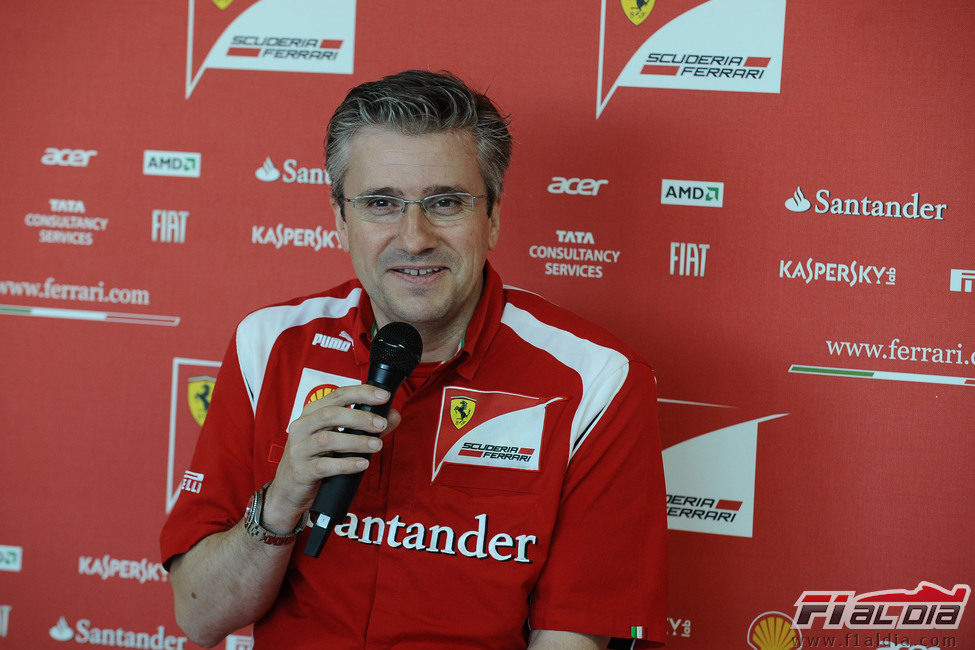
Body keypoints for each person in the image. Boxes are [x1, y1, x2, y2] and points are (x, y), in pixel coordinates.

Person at [160, 69, 667, 649]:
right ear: (339, 218)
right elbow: (198, 617)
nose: (415, 237)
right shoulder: (270, 343)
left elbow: (571, 639)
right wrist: (279, 504)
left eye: (445, 203)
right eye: (381, 203)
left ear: (493, 216)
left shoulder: (597, 379)